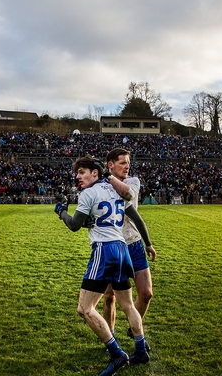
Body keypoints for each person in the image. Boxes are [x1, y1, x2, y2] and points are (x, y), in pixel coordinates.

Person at [55, 156, 152, 375]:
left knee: (85, 309)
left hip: (104, 250)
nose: (78, 177)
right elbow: (131, 214)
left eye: (82, 172)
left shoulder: (88, 193)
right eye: (77, 173)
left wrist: (61, 212)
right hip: (121, 249)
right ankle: (140, 348)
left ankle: (117, 353)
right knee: (127, 304)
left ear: (95, 173)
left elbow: (74, 225)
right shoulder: (115, 190)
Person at [102, 148, 157, 349]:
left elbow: (127, 194)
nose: (127, 166)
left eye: (128, 163)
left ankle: (134, 326)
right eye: (122, 163)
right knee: (109, 297)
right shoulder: (101, 185)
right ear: (110, 164)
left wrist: (148, 243)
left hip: (133, 243)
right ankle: (111, 340)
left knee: (146, 293)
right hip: (113, 246)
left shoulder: (133, 181)